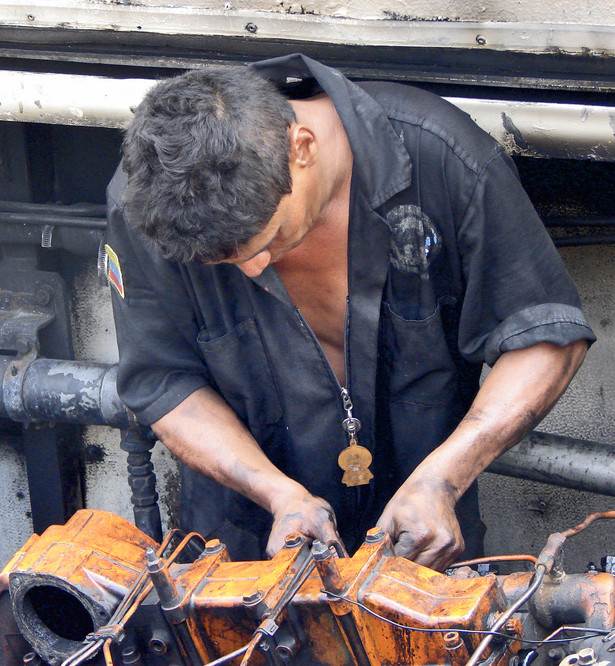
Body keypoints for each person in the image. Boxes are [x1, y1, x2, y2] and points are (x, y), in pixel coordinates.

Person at [107, 53, 594, 571]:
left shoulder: (445, 158)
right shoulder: (146, 204)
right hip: (243, 542)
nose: (251, 271)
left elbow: (546, 340)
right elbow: (164, 381)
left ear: (301, 148)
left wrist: (442, 479)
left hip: (422, 544)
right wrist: (278, 496)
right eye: (226, 262)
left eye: (268, 241)